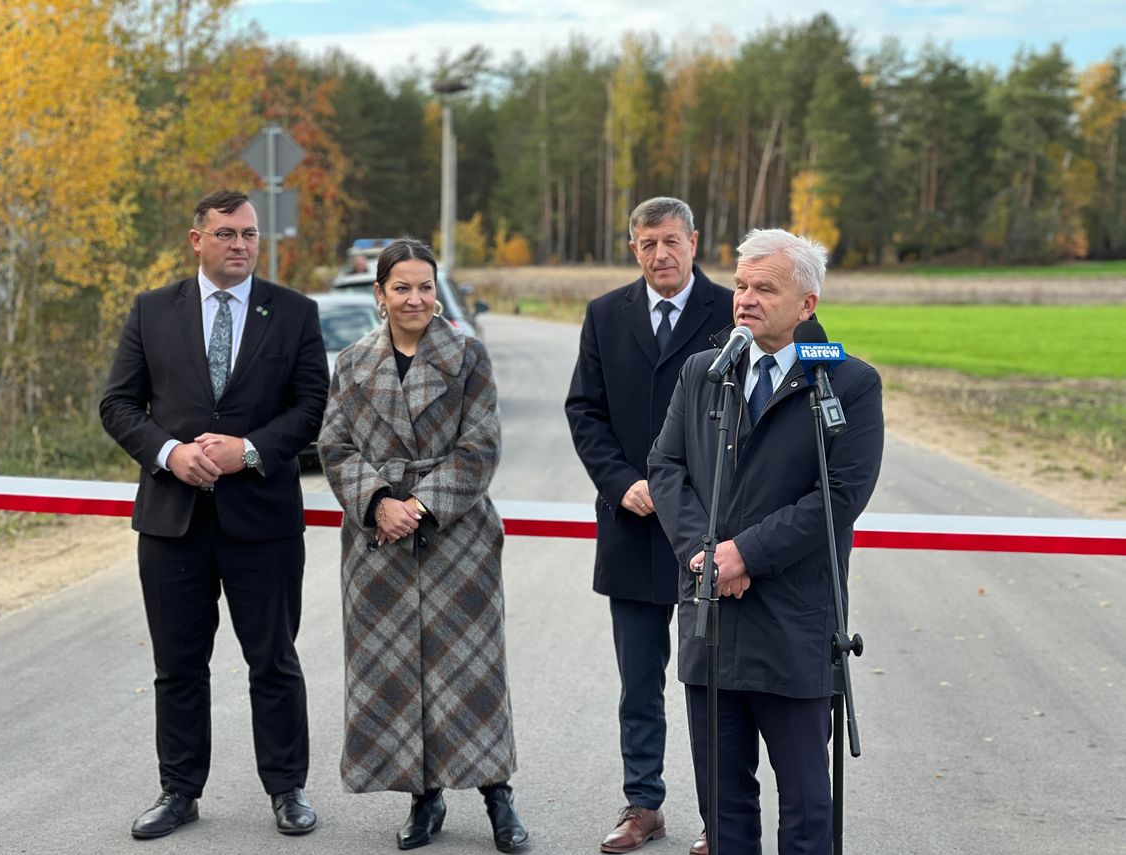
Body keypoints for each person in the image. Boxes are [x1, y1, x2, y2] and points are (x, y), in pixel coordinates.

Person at [647, 228, 884, 855]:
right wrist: (707, 556)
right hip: (711, 620)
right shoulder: (705, 371)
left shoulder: (847, 382)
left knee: (808, 807)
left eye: (765, 288)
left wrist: (745, 554)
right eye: (741, 285)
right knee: (721, 805)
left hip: (795, 624)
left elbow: (839, 496)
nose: (745, 299)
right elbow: (666, 467)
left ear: (807, 304)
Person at [100, 189, 329, 839]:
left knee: (274, 660)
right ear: (196, 239)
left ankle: (287, 789)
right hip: (173, 522)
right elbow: (117, 405)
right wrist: (169, 453)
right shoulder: (151, 312)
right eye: (227, 233)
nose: (241, 245)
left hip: (264, 522)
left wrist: (249, 450)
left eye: (250, 234)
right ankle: (179, 791)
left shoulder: (293, 313)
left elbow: (312, 408)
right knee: (177, 666)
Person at [318, 238, 528, 853]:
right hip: (376, 543)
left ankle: (498, 797)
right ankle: (422, 797)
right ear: (380, 295)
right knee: (395, 673)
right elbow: (334, 447)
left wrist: (420, 505)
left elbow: (481, 447)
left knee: (473, 671)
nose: (416, 298)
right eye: (402, 287)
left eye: (425, 286)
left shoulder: (468, 356)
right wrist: (379, 501)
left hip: (457, 539)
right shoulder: (354, 362)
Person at [565, 197, 734, 854]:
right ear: (632, 248)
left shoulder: (732, 311)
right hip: (633, 529)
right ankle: (644, 803)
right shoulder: (606, 315)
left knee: (716, 681)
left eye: (671, 241)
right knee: (640, 682)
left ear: (694, 240)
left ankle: (723, 816)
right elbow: (585, 410)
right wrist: (621, 482)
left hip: (715, 531)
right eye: (646, 244)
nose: (660, 254)